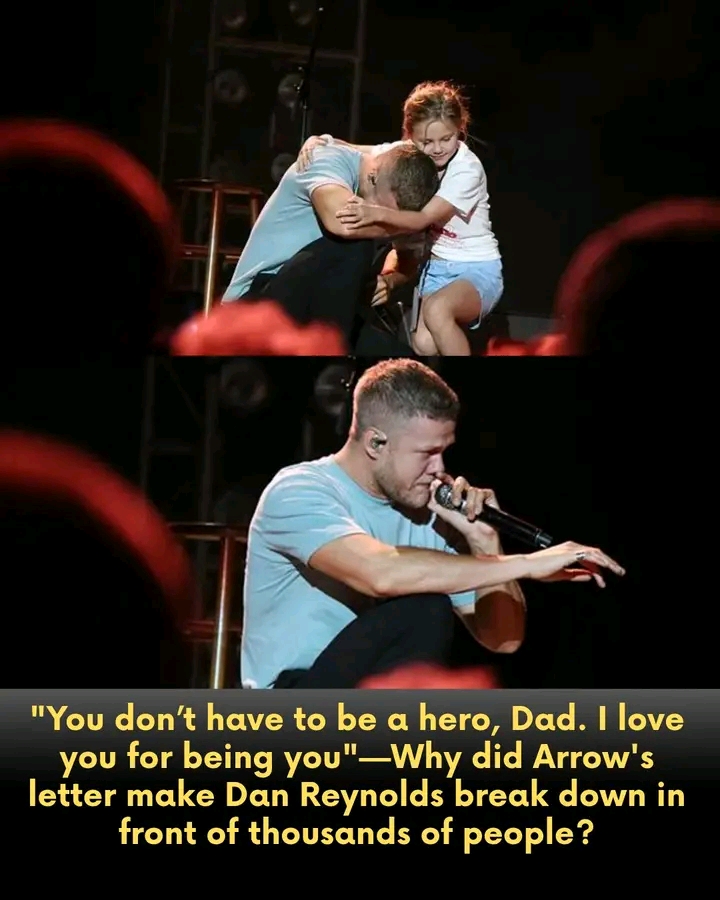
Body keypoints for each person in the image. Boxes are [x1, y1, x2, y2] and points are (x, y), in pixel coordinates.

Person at [240, 358, 625, 689]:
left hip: (367, 696)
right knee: (426, 608)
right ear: (375, 444)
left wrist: (485, 542)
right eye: (427, 452)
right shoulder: (300, 490)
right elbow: (380, 573)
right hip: (293, 701)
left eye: (444, 451)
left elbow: (503, 640)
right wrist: (527, 563)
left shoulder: (430, 517)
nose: (439, 468)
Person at [297, 81, 503, 356]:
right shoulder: (408, 155)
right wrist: (321, 142)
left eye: (446, 139)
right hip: (435, 270)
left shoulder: (466, 170)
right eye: (426, 142)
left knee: (438, 311)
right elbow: (360, 151)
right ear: (410, 136)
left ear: (460, 128)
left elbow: (423, 219)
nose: (437, 149)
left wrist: (374, 212)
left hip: (475, 268)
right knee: (423, 344)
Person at [221, 141, 438, 347]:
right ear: (373, 175)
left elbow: (409, 257)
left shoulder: (398, 202)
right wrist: (410, 224)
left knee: (396, 357)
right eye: (384, 210)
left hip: (326, 310)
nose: (386, 218)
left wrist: (391, 280)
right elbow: (342, 225)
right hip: (256, 303)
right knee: (355, 244)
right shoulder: (326, 159)